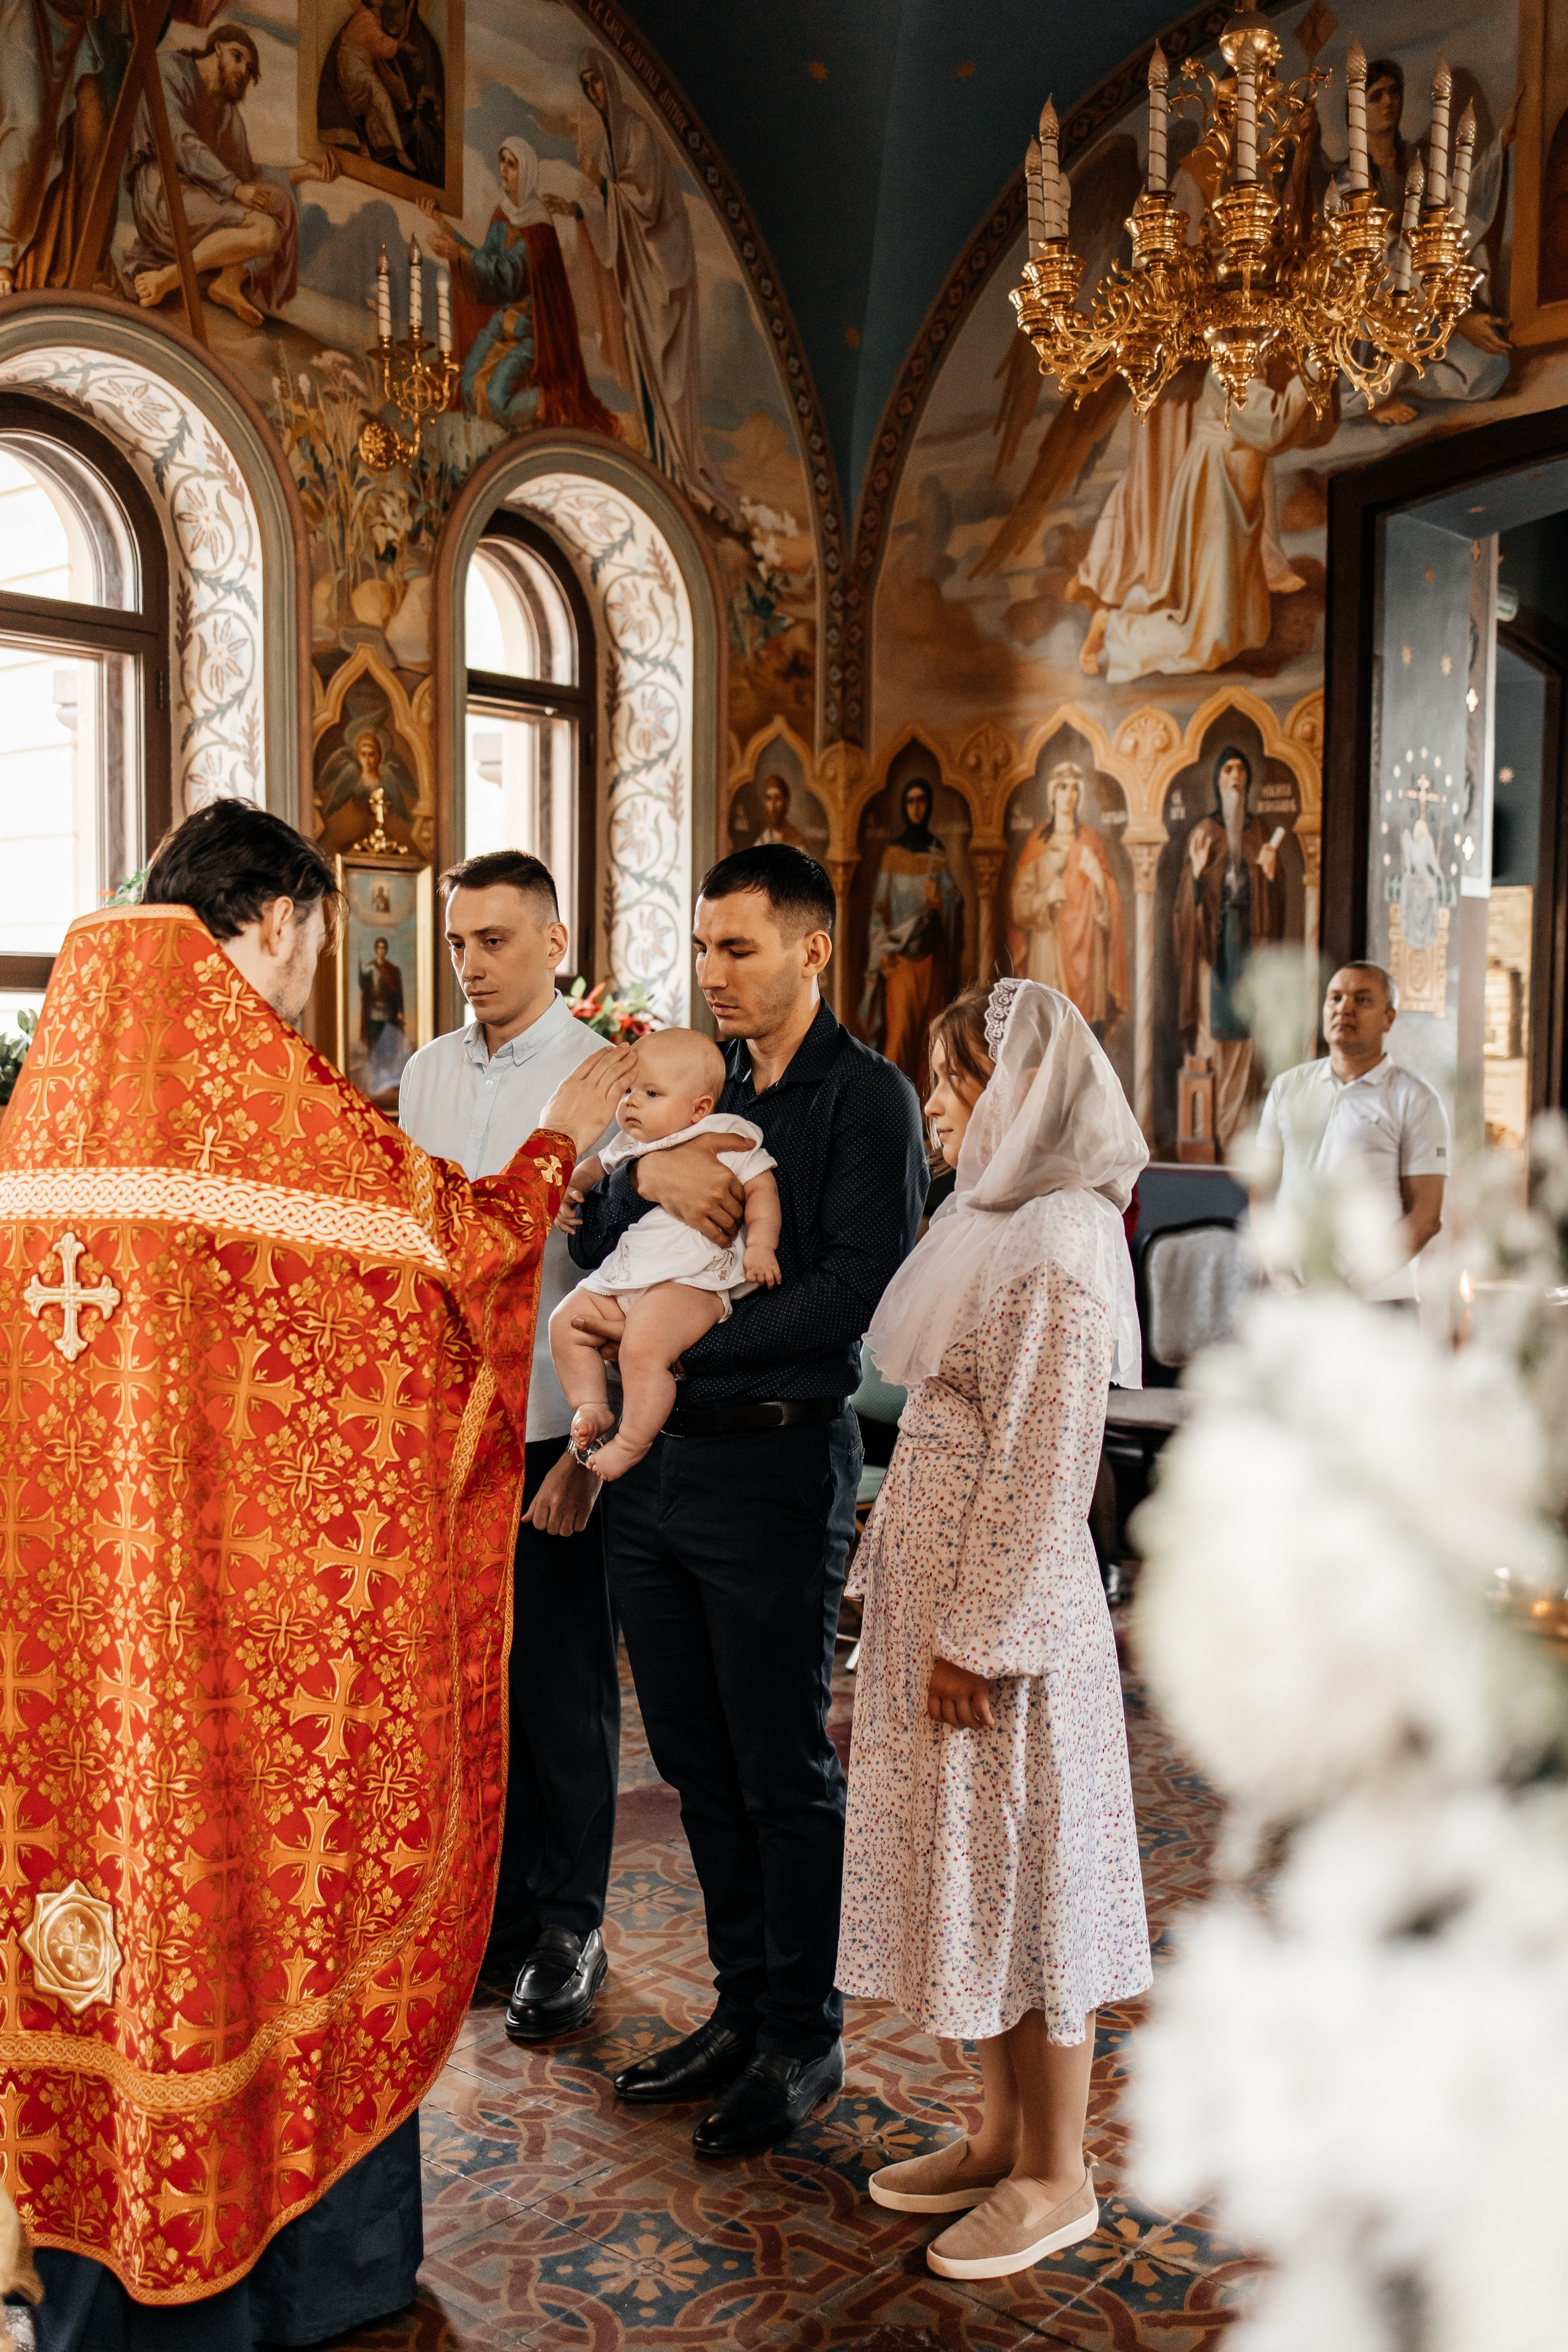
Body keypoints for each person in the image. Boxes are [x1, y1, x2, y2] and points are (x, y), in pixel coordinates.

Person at [1, 801, 625, 2348]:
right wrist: (562, 1139)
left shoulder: (53, 1097)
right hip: (238, 1632)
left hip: (77, 1637)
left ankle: (100, 2259)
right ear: (278, 921)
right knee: (274, 1903)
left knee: (105, 1918)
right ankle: (297, 2272)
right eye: (314, 944)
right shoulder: (252, 1099)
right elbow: (456, 1258)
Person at [568, 845, 926, 2157]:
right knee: (694, 1757)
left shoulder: (865, 1098)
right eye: (703, 949)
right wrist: (640, 1179)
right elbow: (592, 1226)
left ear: (811, 948)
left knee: (780, 1765)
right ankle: (737, 2009)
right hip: (658, 1469)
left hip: (772, 1464)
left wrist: (667, 1352)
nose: (713, 974)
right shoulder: (692, 1082)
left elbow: (852, 1293)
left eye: (740, 948)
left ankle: (799, 2036)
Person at [839, 976, 1152, 2282]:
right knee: (973, 1875)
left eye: (958, 1079)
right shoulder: (986, 1217)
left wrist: (976, 1635)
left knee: (1030, 1881)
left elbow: (1042, 1459)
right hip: (943, 1601)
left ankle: (1056, 2173)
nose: (937, 1104)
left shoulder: (1063, 1236)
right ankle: (999, 2131)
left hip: (1003, 1624)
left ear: (1026, 1089)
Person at [398, 850, 624, 2046]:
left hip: (552, 1425)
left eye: (494, 939)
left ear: (554, 941)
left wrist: (592, 1449)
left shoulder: (607, 1076)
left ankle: (571, 1924)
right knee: (472, 1687)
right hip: (449, 1431)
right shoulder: (427, 1072)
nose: (471, 964)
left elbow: (641, 1275)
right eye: (458, 942)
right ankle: (501, 1913)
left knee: (561, 1685)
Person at [552, 1028, 781, 1478]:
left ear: (699, 1108)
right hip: (630, 1271)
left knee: (643, 1347)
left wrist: (761, 1245)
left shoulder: (726, 1134)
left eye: (651, 1093)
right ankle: (592, 1405)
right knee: (565, 1321)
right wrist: (568, 1189)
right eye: (629, 1091)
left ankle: (631, 1443)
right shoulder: (629, 1144)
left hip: (691, 1280)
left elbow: (762, 1188)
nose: (632, 1103)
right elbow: (592, 1169)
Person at [544, 46, 741, 527]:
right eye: (586, 85)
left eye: (597, 81)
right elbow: (610, 203)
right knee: (645, 368)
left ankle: (681, 465)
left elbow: (647, 200)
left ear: (610, 83)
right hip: (636, 278)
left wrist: (596, 190)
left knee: (667, 375)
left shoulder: (637, 132)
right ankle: (660, 459)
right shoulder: (610, 143)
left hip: (662, 276)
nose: (593, 91)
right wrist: (580, 205)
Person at [1251, 962, 1448, 1300]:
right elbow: (1262, 1190)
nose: (1345, 1009)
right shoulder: (1288, 1087)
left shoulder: (1415, 1099)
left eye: (1362, 1000)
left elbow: (1426, 1216)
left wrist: (1348, 1288)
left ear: (1389, 1018)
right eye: (1336, 998)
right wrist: (1279, 1275)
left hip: (1376, 1298)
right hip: (1292, 1298)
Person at [423, 137, 616, 434]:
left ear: (525, 172)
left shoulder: (538, 225)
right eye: (502, 162)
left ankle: (556, 403)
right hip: (502, 324)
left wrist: (459, 252)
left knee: (496, 400)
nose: (503, 170)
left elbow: (509, 273)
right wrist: (442, 224)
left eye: (511, 165)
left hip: (531, 332)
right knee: (466, 388)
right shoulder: (502, 214)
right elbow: (484, 260)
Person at [126, 26, 305, 328]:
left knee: (272, 211)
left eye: (250, 70)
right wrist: (234, 189)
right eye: (238, 58)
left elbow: (248, 174)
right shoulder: (170, 69)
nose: (244, 72)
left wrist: (306, 173)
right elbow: (177, 139)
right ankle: (169, 279)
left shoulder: (227, 113)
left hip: (201, 199)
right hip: (160, 191)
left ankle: (227, 284)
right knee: (264, 229)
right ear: (218, 47)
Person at [1174, 744, 1289, 1156]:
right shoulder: (1204, 833)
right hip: (1213, 952)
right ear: (1218, 780)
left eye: (1241, 771)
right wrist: (1196, 877)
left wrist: (1271, 879)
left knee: (1246, 1040)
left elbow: (1276, 906)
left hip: (1250, 951)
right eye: (1228, 771)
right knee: (1213, 1038)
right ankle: (1213, 1135)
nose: (1236, 778)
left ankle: (1238, 1136)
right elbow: (1183, 910)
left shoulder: (1259, 832)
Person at [859, 777, 963, 1091]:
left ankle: (925, 1110)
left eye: (922, 801)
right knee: (900, 1035)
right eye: (911, 801)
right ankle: (892, 1105)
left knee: (931, 1037)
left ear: (928, 805)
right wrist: (883, 951)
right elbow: (879, 911)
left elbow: (954, 903)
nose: (916, 807)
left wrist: (940, 901)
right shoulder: (893, 854)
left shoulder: (937, 852)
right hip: (901, 958)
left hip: (932, 959)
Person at [1008, 762, 1128, 1032]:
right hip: (1048, 947)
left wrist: (1099, 880)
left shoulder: (1090, 842)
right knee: (1050, 1029)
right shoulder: (1038, 844)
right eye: (1062, 787)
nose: (1069, 795)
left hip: (1088, 949)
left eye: (1074, 788)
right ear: (1052, 793)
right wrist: (1046, 898)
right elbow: (1018, 906)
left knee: (1084, 1032)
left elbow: (1112, 910)